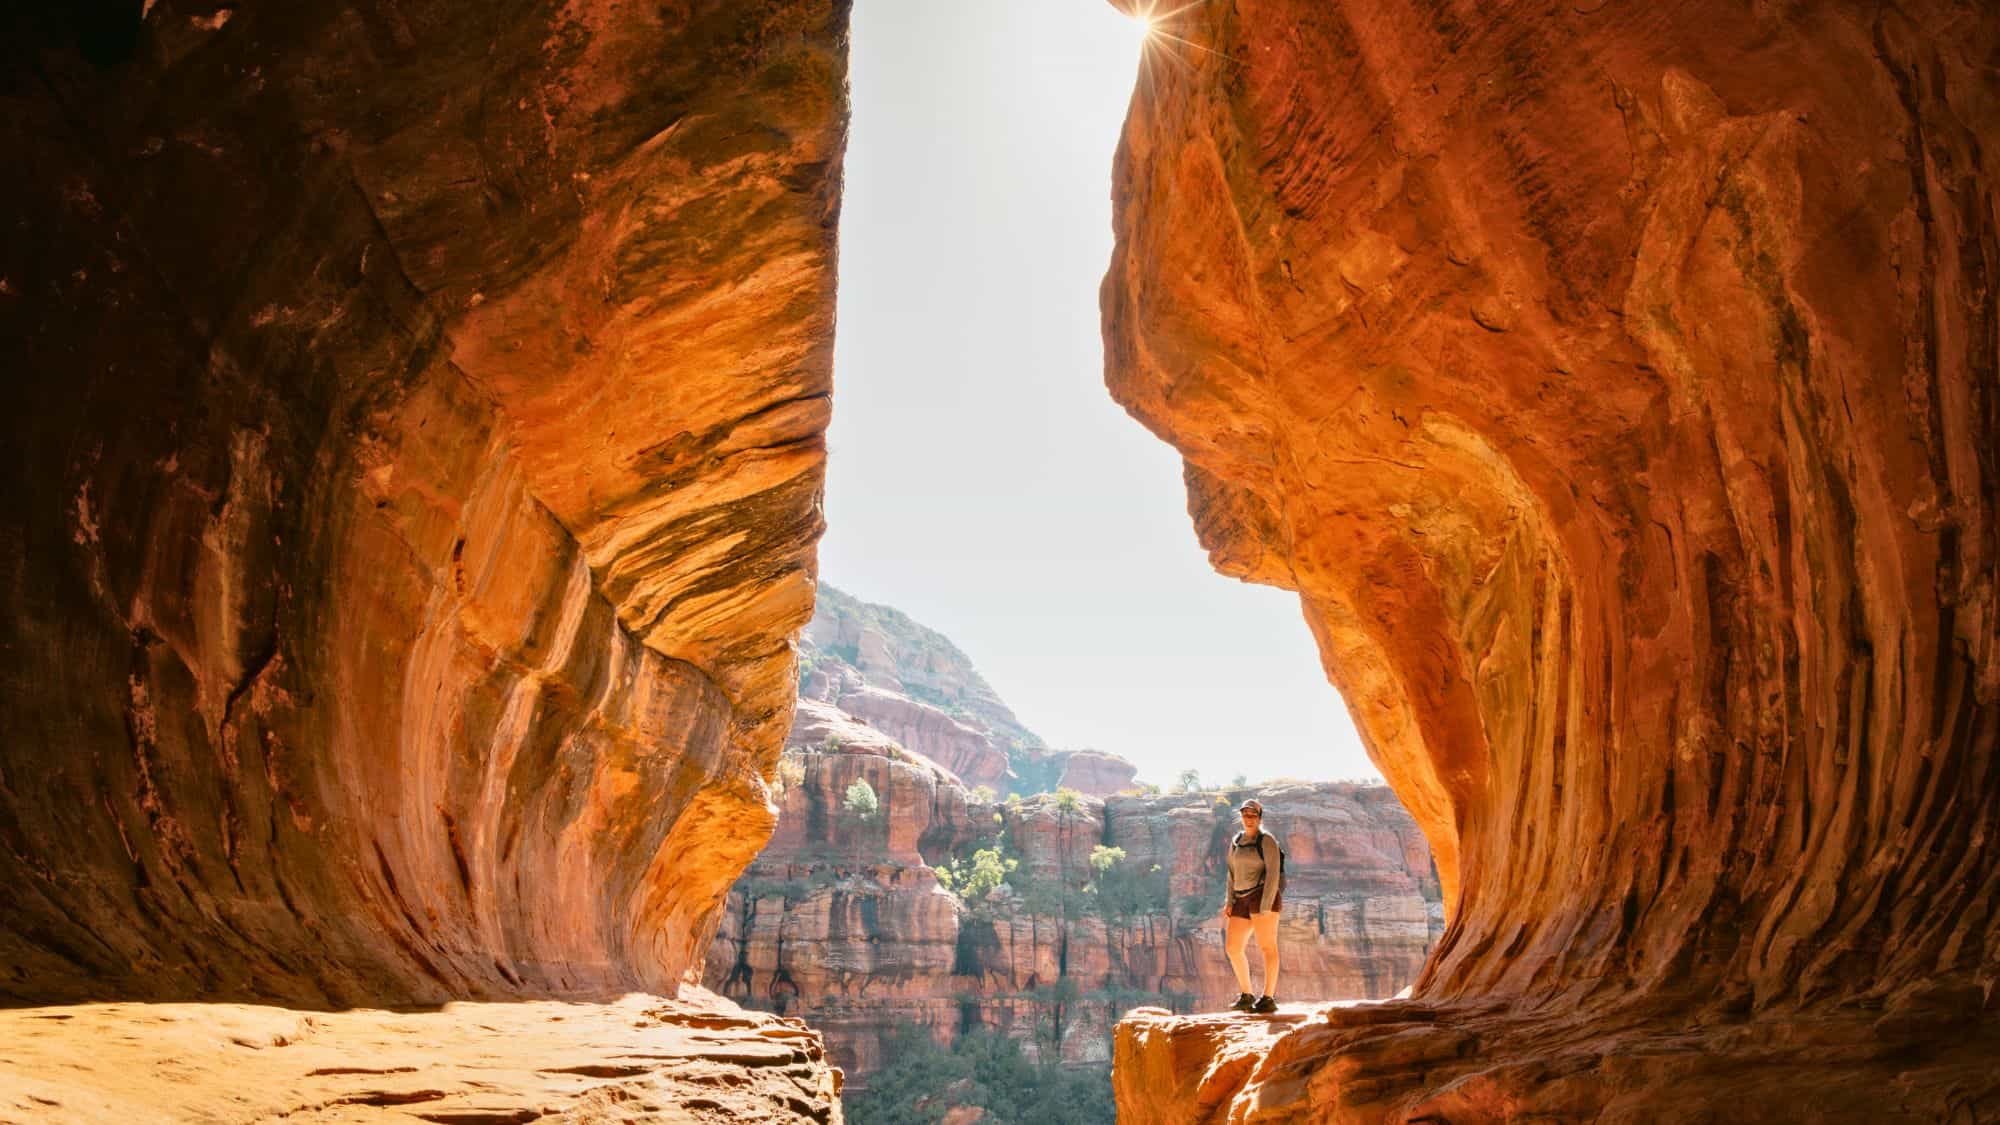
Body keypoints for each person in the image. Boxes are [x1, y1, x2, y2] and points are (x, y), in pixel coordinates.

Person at [1218, 797, 1282, 1013]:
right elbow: (1231, 872)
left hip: (1263, 896)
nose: (1249, 818)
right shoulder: (1236, 840)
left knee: (1267, 947)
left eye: (1253, 815)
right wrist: (1229, 900)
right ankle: (1247, 995)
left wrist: (1265, 905)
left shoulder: (1267, 841)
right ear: (1241, 816)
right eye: (1245, 814)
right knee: (1233, 948)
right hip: (1241, 898)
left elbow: (1273, 873)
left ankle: (1268, 997)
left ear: (1259, 817)